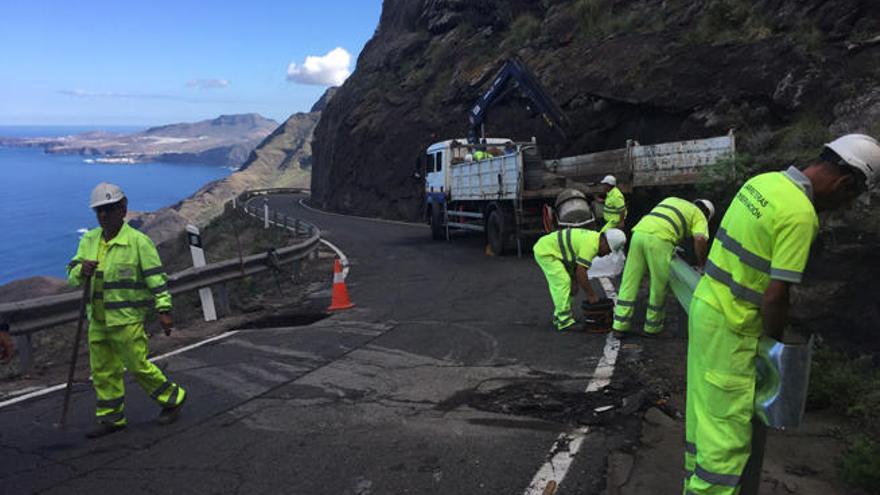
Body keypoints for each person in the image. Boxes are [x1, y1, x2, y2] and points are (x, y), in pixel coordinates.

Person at [684, 134, 880, 494]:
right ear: (844, 182)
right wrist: (772, 348)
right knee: (725, 444)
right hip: (733, 329)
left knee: (703, 421)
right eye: (850, 198)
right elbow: (777, 296)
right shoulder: (800, 215)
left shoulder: (763, 181)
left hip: (706, 309)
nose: (844, 206)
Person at [67, 183, 187, 439]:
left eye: (108, 210)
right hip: (97, 320)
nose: (103, 216)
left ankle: (173, 398)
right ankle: (111, 418)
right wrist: (80, 270)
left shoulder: (138, 243)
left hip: (127, 320)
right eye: (99, 211)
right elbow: (73, 275)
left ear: (123, 209)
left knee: (137, 366)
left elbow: (156, 279)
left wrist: (164, 309)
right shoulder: (89, 239)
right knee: (102, 371)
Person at [612, 197, 714, 336]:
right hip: (659, 241)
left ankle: (619, 325)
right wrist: (702, 264)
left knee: (629, 281)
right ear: (707, 213)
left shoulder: (673, 200)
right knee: (659, 285)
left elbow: (665, 223)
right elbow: (700, 239)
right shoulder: (699, 215)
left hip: (639, 234)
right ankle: (652, 328)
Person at [534, 226, 627, 331]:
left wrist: (574, 280)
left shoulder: (594, 239)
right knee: (563, 282)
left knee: (573, 287)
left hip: (559, 253)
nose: (608, 253)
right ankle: (564, 321)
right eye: (609, 250)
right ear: (604, 243)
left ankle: (559, 316)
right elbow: (581, 272)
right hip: (546, 252)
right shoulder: (591, 245)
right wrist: (591, 295)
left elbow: (575, 261)